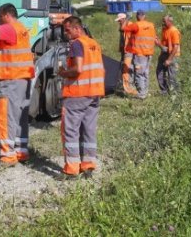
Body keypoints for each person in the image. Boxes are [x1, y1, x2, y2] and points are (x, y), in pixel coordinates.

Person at [0, 0, 34, 167]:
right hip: (22, 78)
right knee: (19, 116)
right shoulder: (22, 28)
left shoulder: (10, 29)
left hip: (11, 79)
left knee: (6, 117)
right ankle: (20, 151)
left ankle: (8, 156)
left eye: (0, 17)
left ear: (7, 15)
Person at [58, 16, 105, 178]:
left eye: (68, 30)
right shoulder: (93, 43)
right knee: (89, 130)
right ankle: (88, 165)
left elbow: (77, 69)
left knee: (70, 130)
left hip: (77, 93)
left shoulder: (77, 44)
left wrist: (63, 72)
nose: (66, 33)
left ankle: (71, 168)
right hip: (94, 93)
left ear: (77, 28)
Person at [119, 9, 157, 99]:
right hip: (149, 53)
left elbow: (122, 28)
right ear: (145, 15)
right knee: (145, 73)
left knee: (139, 73)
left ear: (137, 16)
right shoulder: (151, 25)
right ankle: (145, 91)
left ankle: (142, 94)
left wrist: (127, 17)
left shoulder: (136, 25)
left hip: (140, 53)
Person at [155, 15, 181, 94]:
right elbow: (164, 46)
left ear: (170, 21)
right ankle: (164, 91)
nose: (163, 23)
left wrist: (169, 60)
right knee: (159, 72)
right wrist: (158, 43)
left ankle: (175, 94)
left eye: (164, 21)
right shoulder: (165, 29)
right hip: (164, 53)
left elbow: (175, 47)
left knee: (172, 75)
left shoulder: (174, 31)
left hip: (173, 55)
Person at [114, 13, 139, 97]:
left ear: (124, 19)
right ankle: (129, 87)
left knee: (126, 70)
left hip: (130, 51)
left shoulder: (130, 25)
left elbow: (123, 29)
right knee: (126, 69)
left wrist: (127, 18)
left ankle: (129, 90)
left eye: (120, 20)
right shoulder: (124, 25)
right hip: (125, 51)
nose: (119, 22)